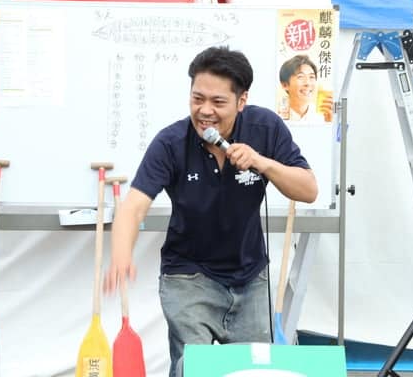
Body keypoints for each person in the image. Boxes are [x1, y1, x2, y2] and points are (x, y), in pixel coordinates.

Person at [103, 46, 318, 377]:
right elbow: (133, 206)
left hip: (250, 275)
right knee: (196, 368)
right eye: (197, 99)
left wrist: (262, 162)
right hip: (187, 276)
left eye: (218, 102)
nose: (205, 111)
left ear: (241, 101)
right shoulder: (170, 143)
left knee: (250, 371)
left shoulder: (266, 127)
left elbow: (308, 189)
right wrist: (121, 253)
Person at [278, 54, 332, 122]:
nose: (308, 83)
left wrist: (329, 122)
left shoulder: (322, 116)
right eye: (300, 77)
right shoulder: (277, 116)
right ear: (285, 85)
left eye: (311, 77)